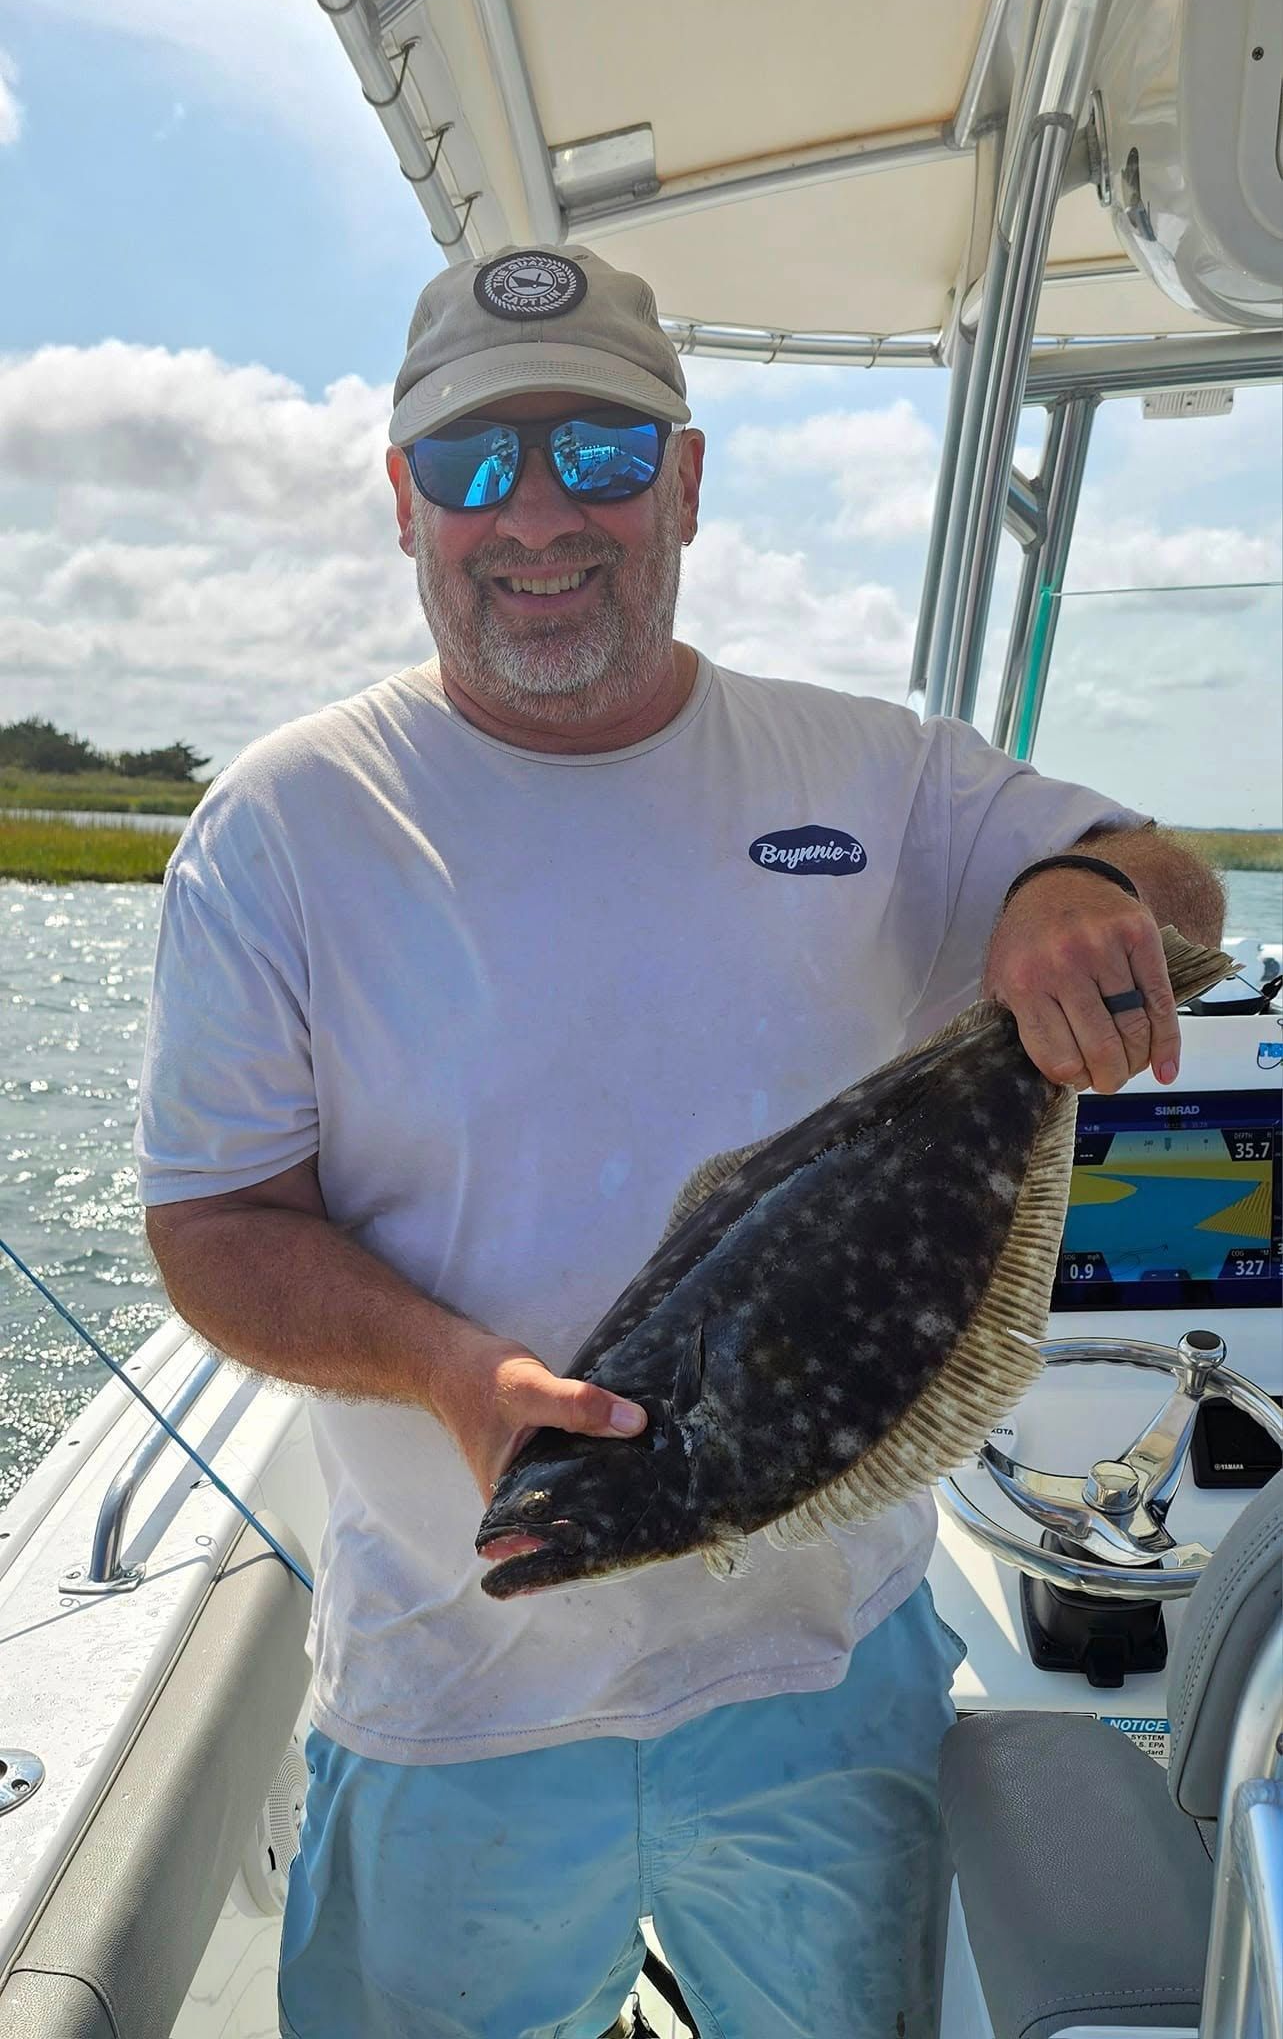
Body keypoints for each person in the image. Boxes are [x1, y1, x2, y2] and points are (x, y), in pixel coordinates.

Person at [137, 245, 1223, 2039]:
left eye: (604, 454)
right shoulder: (283, 829)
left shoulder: (873, 770)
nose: (541, 514)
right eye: (480, 464)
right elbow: (212, 1225)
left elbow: (1164, 882)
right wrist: (453, 1378)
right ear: (404, 502)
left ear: (692, 482)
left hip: (828, 1691)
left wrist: (1071, 896)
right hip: (451, 1706)